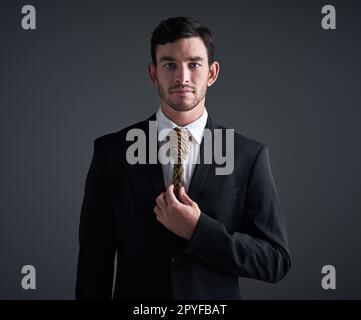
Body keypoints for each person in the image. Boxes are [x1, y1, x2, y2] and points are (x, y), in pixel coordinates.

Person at [75, 16, 291, 300]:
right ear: (153, 73)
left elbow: (275, 261)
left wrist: (199, 230)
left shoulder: (249, 156)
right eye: (169, 65)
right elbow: (94, 264)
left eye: (194, 64)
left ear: (212, 73)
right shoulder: (111, 153)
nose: (182, 78)